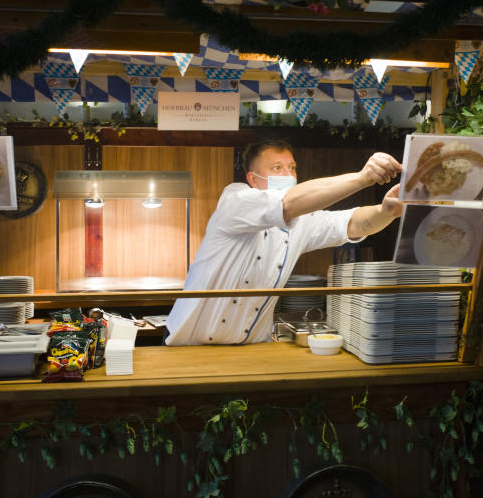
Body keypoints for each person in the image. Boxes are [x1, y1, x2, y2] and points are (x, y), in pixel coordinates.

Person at [165, 139, 403, 346]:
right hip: (190, 342)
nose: (288, 176)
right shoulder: (235, 200)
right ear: (253, 179)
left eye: (292, 168)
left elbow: (352, 224)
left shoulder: (301, 222)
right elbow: (287, 202)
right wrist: (362, 178)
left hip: (253, 346)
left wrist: (385, 211)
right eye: (277, 168)